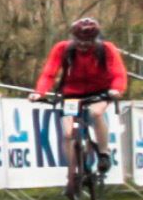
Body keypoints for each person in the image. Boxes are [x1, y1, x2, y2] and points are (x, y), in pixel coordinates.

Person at [36, 18, 127, 181]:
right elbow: (49, 73)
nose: (83, 45)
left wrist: (116, 89)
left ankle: (104, 153)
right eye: (79, 41)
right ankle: (72, 174)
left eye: (88, 42)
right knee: (68, 133)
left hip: (100, 92)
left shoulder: (106, 49)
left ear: (96, 39)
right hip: (72, 94)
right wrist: (39, 92)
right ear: (73, 38)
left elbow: (119, 73)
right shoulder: (62, 48)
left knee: (96, 113)